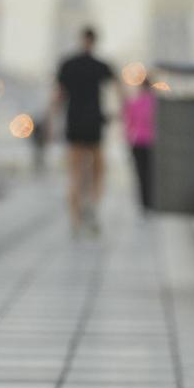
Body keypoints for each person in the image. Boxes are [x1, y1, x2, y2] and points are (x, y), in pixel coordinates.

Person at [52, 26, 113, 235]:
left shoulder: (68, 65)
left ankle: (76, 217)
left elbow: (58, 96)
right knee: (98, 171)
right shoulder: (101, 66)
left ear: (81, 40)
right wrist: (116, 115)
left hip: (75, 124)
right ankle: (92, 206)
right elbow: (117, 89)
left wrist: (51, 121)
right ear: (94, 42)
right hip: (94, 124)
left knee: (75, 173)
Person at [123, 76, 157, 215]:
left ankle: (144, 204)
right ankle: (151, 201)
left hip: (137, 142)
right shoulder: (156, 103)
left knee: (141, 174)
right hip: (153, 143)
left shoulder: (133, 103)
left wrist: (128, 141)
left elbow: (129, 125)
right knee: (152, 173)